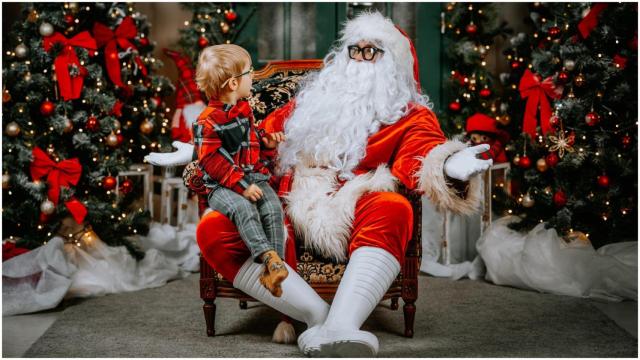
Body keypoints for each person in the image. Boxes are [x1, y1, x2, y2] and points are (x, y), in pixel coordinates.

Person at [147, 11, 491, 357]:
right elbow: (250, 138)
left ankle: (341, 324)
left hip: (357, 198)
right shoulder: (312, 102)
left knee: (394, 207)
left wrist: (449, 165)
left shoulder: (411, 116)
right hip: (287, 192)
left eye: (370, 51)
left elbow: (424, 153)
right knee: (213, 229)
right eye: (353, 49)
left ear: (393, 65)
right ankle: (322, 319)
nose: (358, 59)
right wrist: (200, 151)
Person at [190, 44, 289, 297]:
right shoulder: (206, 121)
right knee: (243, 209)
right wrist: (242, 186)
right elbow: (212, 162)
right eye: (249, 72)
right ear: (234, 84)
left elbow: (250, 141)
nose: (253, 76)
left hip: (252, 175)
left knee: (272, 208)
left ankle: (277, 268)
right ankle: (267, 257)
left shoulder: (243, 110)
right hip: (221, 185)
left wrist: (266, 141)